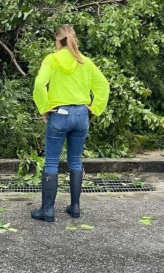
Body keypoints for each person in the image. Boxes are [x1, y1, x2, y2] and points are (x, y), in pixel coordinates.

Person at [31, 25, 110, 222]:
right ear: (74, 40)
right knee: (75, 161)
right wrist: (96, 107)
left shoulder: (51, 59)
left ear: (58, 41)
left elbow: (40, 84)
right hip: (81, 114)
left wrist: (44, 107)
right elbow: (103, 85)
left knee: (51, 162)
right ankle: (75, 208)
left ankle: (47, 211)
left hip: (59, 114)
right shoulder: (85, 61)